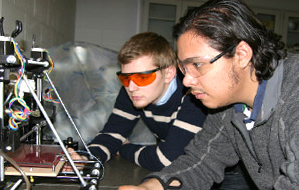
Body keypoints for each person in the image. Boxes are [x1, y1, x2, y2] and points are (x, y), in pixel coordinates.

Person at [118, 0, 299, 189]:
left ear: (242, 54)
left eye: (196, 64)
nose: (186, 81)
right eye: (183, 68)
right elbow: (200, 163)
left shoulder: (294, 93)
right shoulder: (228, 106)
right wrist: (150, 187)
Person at [84, 32, 207, 172]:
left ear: (168, 74)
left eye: (142, 78)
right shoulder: (132, 91)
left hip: (221, 172)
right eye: (125, 78)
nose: (131, 87)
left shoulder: (193, 96)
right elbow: (112, 134)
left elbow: (166, 159)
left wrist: (123, 147)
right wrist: (86, 159)